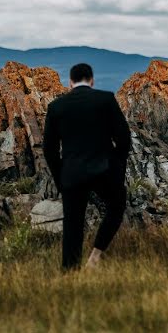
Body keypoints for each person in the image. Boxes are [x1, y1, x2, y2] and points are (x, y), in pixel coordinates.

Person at [42, 62, 131, 271]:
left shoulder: (56, 107)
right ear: (92, 80)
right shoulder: (106, 99)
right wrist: (116, 167)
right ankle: (95, 256)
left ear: (70, 82)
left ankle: (69, 272)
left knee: (72, 225)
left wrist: (61, 178)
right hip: (104, 170)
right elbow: (124, 139)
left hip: (72, 173)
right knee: (116, 206)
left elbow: (50, 149)